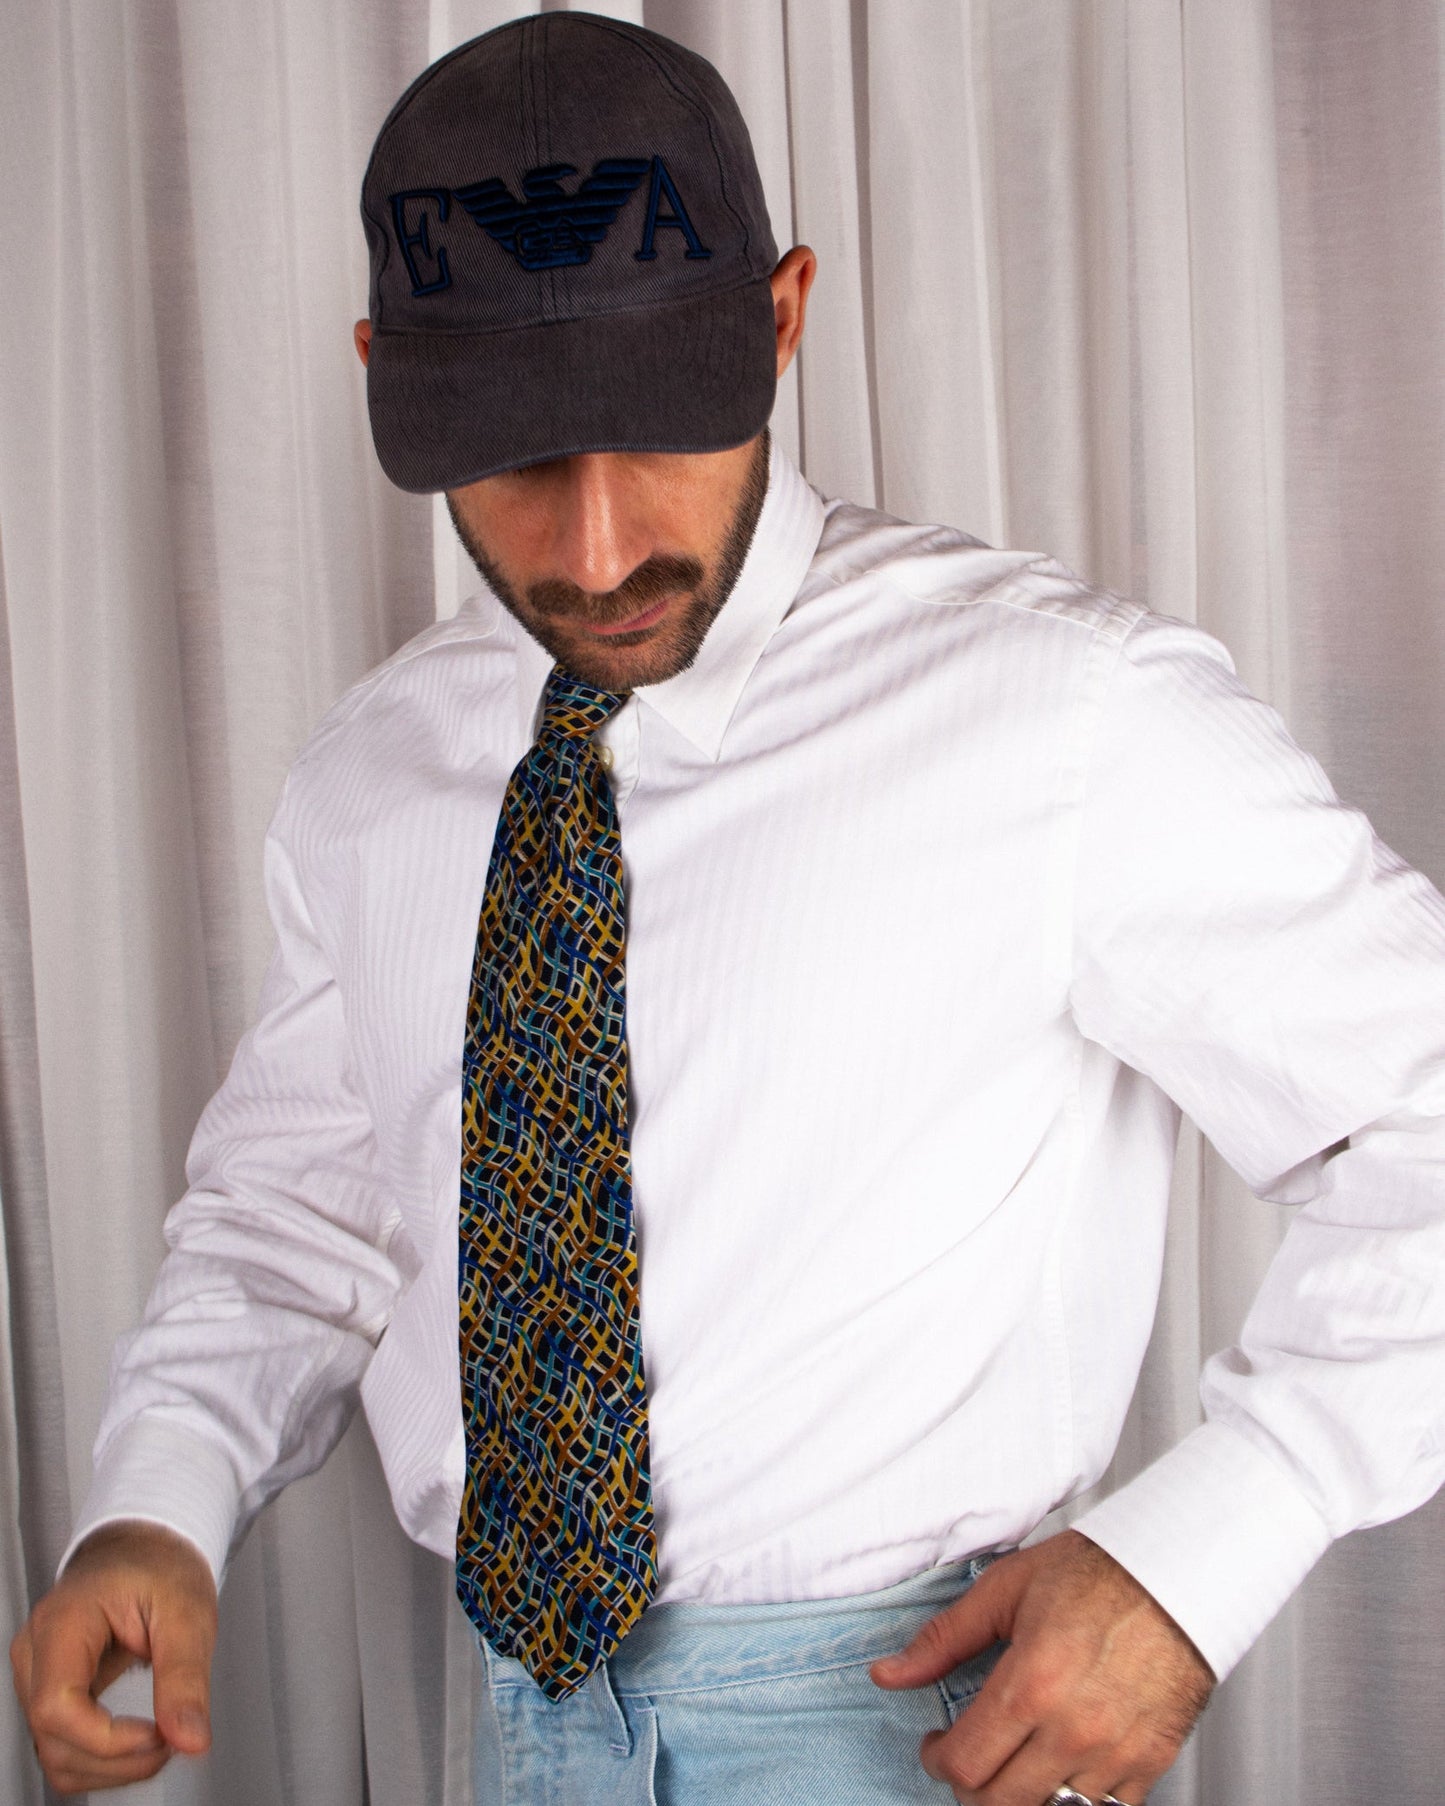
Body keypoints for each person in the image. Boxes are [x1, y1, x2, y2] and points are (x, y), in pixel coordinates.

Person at [12, 13, 1445, 1804]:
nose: (599, 546)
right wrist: (157, 1492)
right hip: (518, 1731)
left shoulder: (1067, 713)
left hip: (907, 1723)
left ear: (779, 314)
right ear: (386, 370)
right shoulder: (373, 777)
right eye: (517, 459)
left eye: (657, 430)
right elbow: (299, 1209)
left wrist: (1208, 1545)